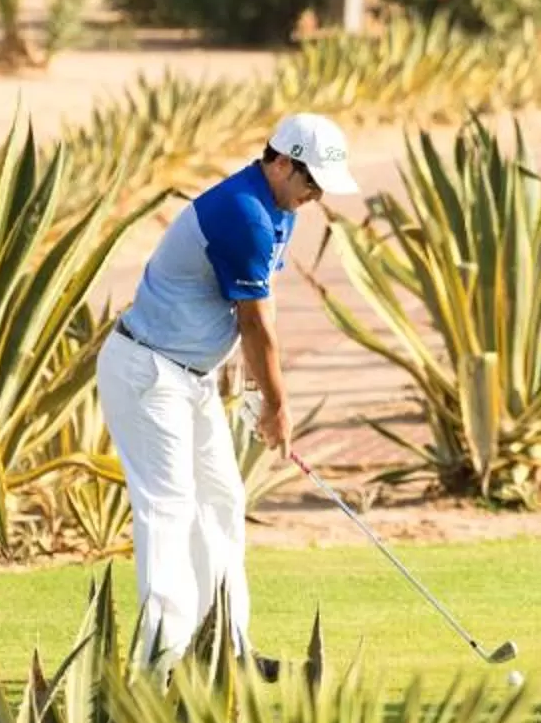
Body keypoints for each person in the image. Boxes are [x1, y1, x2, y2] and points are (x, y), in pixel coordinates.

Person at [99, 111, 357, 664]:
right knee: (168, 508)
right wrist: (279, 408)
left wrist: (250, 388)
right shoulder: (245, 213)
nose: (315, 195)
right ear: (282, 161)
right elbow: (256, 323)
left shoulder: (279, 208)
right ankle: (160, 663)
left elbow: (237, 304)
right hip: (147, 372)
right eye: (310, 181)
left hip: (189, 377)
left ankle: (225, 648)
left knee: (221, 498)